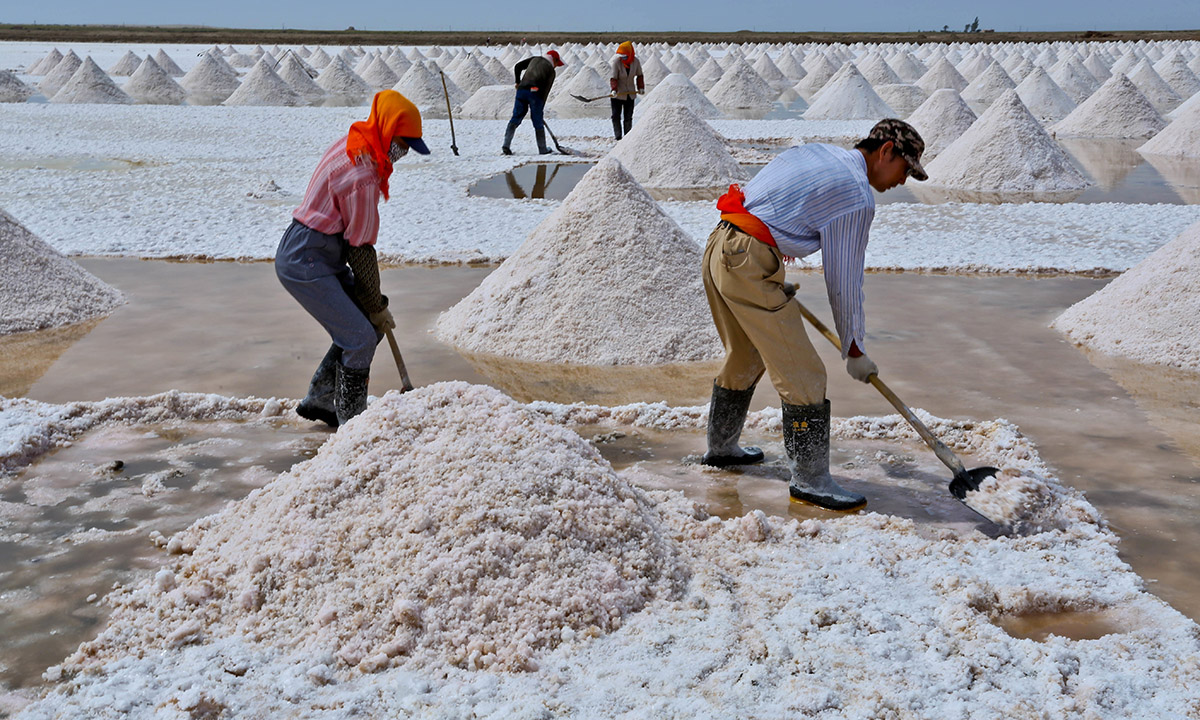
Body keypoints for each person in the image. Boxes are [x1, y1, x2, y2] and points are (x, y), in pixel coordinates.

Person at [699, 119, 927, 511]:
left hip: (723, 245)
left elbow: (769, 202)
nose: (903, 181)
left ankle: (721, 449)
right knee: (805, 375)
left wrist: (764, 273)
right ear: (886, 151)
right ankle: (811, 480)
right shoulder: (856, 195)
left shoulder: (821, 153)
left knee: (746, 354)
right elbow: (844, 279)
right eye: (905, 169)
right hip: (750, 259)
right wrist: (854, 347)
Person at [275, 90, 430, 428]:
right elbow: (360, 250)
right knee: (359, 337)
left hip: (322, 251)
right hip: (307, 258)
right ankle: (351, 425)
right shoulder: (361, 174)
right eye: (403, 143)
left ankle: (321, 398)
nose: (403, 153)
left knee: (365, 326)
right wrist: (375, 303)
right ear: (388, 131)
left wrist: (373, 306)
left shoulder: (358, 140)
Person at [502, 49, 565, 155]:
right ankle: (542, 149)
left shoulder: (534, 59)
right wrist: (540, 110)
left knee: (516, 117)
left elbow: (518, 66)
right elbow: (545, 91)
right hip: (535, 93)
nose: (555, 66)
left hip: (521, 91)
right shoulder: (550, 71)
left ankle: (506, 145)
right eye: (556, 64)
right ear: (553, 59)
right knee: (537, 122)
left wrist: (518, 82)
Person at [609, 41, 644, 140]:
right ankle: (618, 136)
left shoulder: (636, 62)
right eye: (621, 56)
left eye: (625, 56)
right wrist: (614, 89)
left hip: (630, 94)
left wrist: (641, 87)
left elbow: (640, 75)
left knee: (628, 117)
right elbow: (613, 77)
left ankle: (627, 137)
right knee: (616, 116)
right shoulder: (617, 62)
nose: (623, 58)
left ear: (630, 54)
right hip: (618, 94)